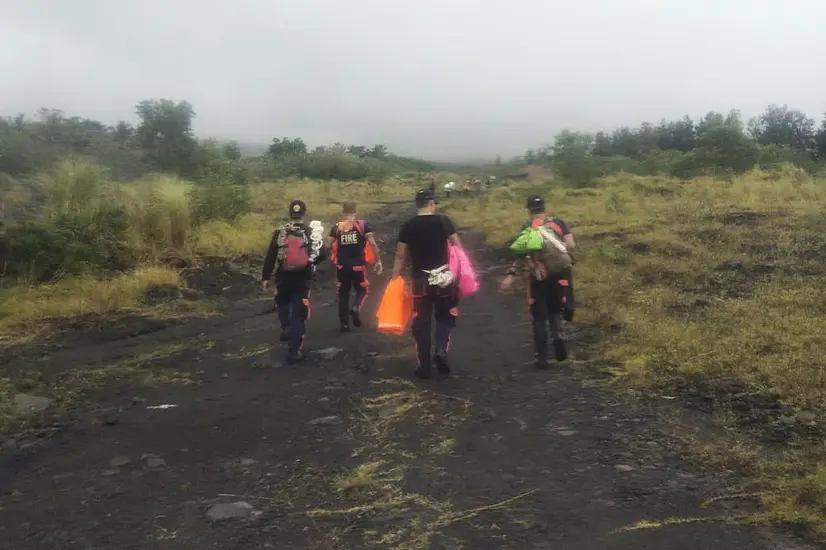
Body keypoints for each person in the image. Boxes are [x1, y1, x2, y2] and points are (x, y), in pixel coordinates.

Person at [391, 189, 462, 379]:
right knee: (446, 316)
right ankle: (440, 349)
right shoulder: (444, 221)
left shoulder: (408, 226)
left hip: (420, 281)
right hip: (445, 278)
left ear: (418, 204)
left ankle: (423, 365)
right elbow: (458, 247)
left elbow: (400, 255)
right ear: (432, 204)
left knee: (421, 322)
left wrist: (395, 278)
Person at [500, 195, 576, 369]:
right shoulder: (558, 222)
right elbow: (571, 245)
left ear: (529, 210)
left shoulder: (527, 227)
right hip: (559, 273)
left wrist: (511, 274)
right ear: (544, 207)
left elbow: (520, 253)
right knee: (556, 309)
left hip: (538, 276)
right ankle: (558, 336)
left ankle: (541, 357)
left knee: (539, 317)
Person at [262, 199, 327, 364]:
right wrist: (310, 262)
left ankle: (286, 327)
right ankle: (294, 351)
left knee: (283, 302)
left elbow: (270, 256)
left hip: (283, 276)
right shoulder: (310, 232)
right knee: (299, 313)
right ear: (303, 214)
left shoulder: (280, 232)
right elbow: (322, 253)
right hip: (302, 278)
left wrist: (266, 277)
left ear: (290, 214)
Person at [326, 202, 383, 332]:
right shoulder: (363, 226)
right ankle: (356, 307)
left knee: (343, 294)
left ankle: (344, 324)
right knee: (362, 290)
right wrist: (378, 261)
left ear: (343, 212)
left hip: (341, 267)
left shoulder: (336, 228)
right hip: (358, 267)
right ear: (355, 212)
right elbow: (373, 244)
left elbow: (327, 246)